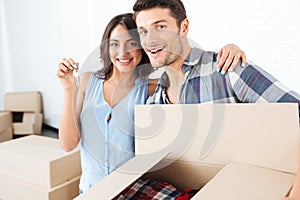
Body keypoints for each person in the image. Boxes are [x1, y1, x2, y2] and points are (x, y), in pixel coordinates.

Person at [56, 13, 247, 193]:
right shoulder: (87, 82)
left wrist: (229, 50)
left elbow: (184, 72)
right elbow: (67, 144)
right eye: (114, 44)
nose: (123, 52)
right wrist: (67, 90)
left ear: (143, 47)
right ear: (106, 47)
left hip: (130, 192)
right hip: (91, 191)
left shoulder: (153, 89)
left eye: (131, 43)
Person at [131, 0, 300, 199]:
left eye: (160, 27)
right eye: (143, 31)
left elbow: (297, 115)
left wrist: (295, 193)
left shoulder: (227, 69)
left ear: (183, 27)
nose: (150, 40)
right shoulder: (155, 104)